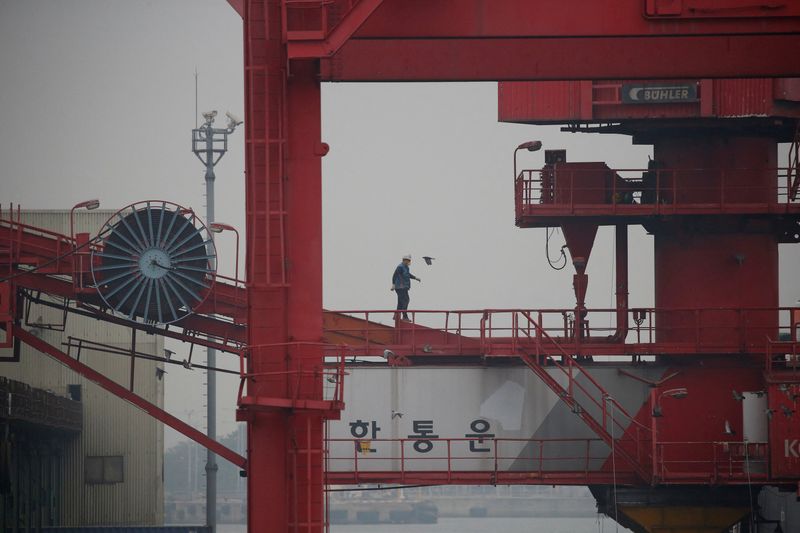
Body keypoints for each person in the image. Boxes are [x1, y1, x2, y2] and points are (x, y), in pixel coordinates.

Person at [391, 254, 421, 321]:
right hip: (400, 287)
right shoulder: (400, 267)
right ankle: (405, 316)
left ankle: (396, 315)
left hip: (404, 287)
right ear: (404, 260)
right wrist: (393, 284)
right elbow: (394, 275)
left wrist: (415, 277)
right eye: (407, 261)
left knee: (400, 302)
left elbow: (408, 274)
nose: (408, 262)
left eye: (409, 261)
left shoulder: (406, 267)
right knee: (406, 300)